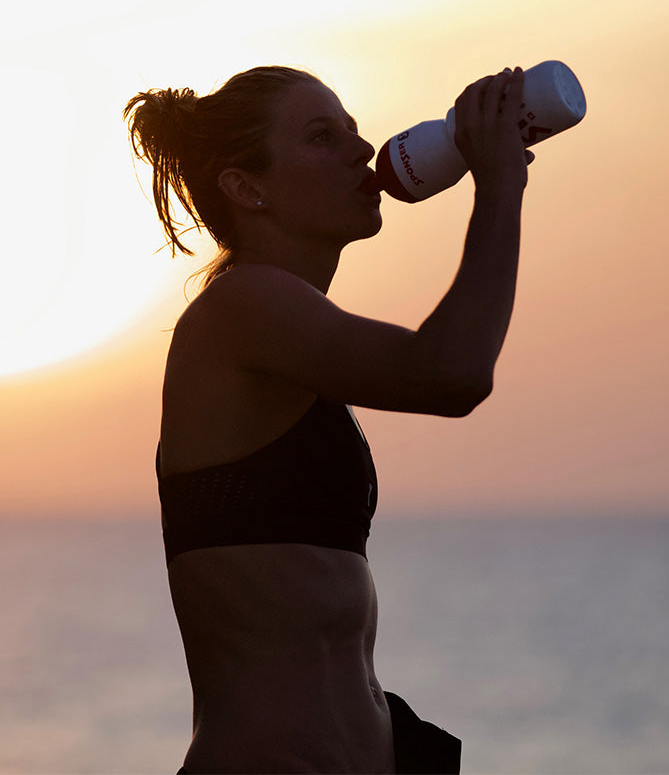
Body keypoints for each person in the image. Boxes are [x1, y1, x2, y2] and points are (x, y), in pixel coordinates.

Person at [124, 63, 531, 774]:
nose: (361, 149)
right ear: (246, 188)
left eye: (353, 130)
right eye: (322, 137)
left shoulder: (290, 328)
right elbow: (449, 372)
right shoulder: (239, 309)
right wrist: (498, 187)